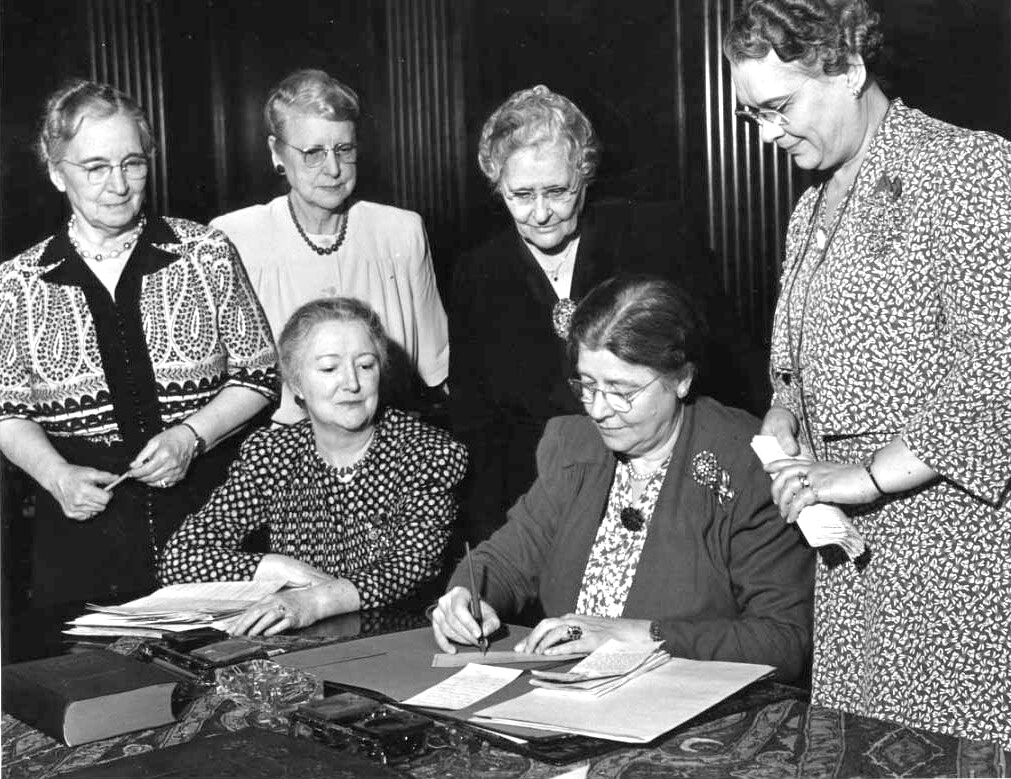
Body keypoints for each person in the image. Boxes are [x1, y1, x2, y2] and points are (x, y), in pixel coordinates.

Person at [724, 0, 1011, 748]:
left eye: (778, 108)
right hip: (851, 565)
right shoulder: (811, 204)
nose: (765, 135)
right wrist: (784, 413)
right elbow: (796, 365)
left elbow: (994, 369)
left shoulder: (966, 168)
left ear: (848, 68)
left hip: (952, 557)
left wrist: (868, 474)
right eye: (751, 115)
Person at [0, 81, 279, 641]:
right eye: (95, 167)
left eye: (133, 163)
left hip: (211, 520)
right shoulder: (16, 283)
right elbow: (5, 412)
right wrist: (56, 478)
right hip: (84, 537)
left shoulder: (205, 252)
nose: (118, 185)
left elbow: (259, 374)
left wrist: (191, 437)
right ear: (57, 173)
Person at [432, 276, 814, 683]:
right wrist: (467, 598)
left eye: (621, 391)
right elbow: (505, 562)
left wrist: (639, 635)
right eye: (587, 385)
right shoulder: (575, 446)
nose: (597, 410)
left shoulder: (741, 463)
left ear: (681, 379)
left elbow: (784, 641)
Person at [450, 84, 764, 545]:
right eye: (520, 195)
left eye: (558, 191)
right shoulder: (476, 274)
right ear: (497, 185)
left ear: (585, 175)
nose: (540, 213)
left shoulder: (657, 236)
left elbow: (723, 366)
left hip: (669, 486)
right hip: (541, 501)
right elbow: (476, 423)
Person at [160, 297, 467, 636]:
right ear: (296, 385)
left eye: (366, 365)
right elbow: (180, 556)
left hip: (400, 640)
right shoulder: (273, 453)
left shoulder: (428, 453)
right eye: (329, 368)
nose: (351, 383)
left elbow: (411, 564)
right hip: (300, 650)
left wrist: (316, 601)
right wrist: (275, 567)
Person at [211, 69, 448, 425]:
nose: (333, 168)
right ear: (276, 152)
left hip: (388, 437)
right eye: (313, 153)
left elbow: (435, 367)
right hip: (277, 448)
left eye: (343, 149)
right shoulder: (234, 237)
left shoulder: (401, 231)